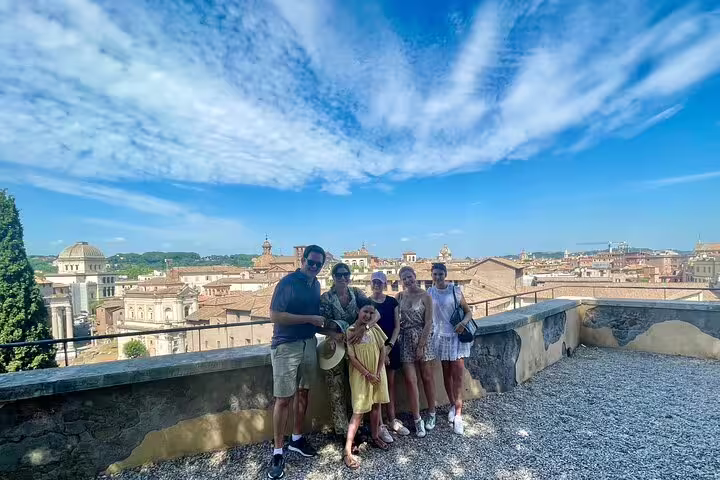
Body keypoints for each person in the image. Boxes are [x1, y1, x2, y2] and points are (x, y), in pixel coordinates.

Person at [267, 245, 342, 480]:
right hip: (286, 346)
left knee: (304, 393)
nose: (314, 267)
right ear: (303, 259)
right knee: (283, 399)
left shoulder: (316, 285)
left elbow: (314, 321)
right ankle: (278, 451)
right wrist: (309, 318)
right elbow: (275, 315)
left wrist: (332, 332)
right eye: (311, 262)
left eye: (319, 264)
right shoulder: (288, 283)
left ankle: (297, 439)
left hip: (308, 343)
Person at [319, 263, 380, 439]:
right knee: (336, 387)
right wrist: (333, 334)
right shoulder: (326, 298)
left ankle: (356, 428)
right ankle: (342, 430)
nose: (343, 277)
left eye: (346, 274)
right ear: (333, 277)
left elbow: (375, 314)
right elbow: (317, 325)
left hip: (357, 345)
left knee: (357, 386)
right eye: (339, 275)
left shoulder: (357, 293)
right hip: (335, 347)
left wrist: (364, 328)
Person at [428, 263, 473, 435]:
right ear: (431, 275)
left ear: (445, 274)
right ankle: (453, 404)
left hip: (456, 338)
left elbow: (468, 312)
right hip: (440, 338)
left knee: (457, 376)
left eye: (440, 274)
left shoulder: (455, 290)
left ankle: (459, 414)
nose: (438, 277)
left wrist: (463, 323)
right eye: (435, 274)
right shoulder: (430, 293)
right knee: (446, 375)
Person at [344, 302, 391, 469]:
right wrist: (367, 374)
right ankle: (347, 450)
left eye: (371, 313)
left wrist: (377, 372)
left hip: (377, 374)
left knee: (376, 406)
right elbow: (352, 358)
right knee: (358, 412)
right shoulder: (350, 331)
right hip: (361, 376)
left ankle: (375, 435)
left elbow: (382, 350)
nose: (368, 316)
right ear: (358, 311)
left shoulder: (374, 329)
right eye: (365, 311)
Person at [396, 266, 437, 437]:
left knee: (427, 377)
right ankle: (417, 419)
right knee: (411, 381)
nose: (407, 280)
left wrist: (421, 345)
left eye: (409, 277)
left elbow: (428, 322)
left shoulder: (426, 296)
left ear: (415, 276)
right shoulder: (399, 297)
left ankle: (432, 414)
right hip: (405, 338)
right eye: (404, 278)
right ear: (401, 280)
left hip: (422, 339)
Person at [369, 271, 410, 439]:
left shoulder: (392, 302)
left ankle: (392, 419)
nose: (377, 285)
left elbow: (397, 326)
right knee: (378, 387)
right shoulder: (367, 303)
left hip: (391, 347)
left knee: (390, 385)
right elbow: (369, 329)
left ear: (385, 284)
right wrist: (381, 351)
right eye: (374, 282)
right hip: (374, 350)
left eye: (380, 282)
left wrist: (389, 346)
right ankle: (380, 425)